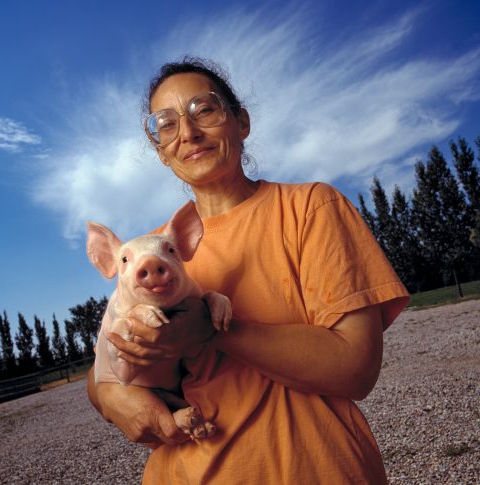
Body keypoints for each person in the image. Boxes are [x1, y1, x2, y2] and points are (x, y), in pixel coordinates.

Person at [87, 56, 410, 484]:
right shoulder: (149, 254)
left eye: (205, 109)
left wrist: (214, 330)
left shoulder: (310, 208)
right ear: (161, 153)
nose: (188, 132)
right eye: (166, 124)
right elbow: (103, 368)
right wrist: (112, 400)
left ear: (242, 122)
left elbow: (356, 367)